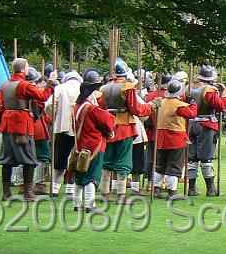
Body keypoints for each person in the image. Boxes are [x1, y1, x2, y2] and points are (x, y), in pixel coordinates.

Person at [0, 59, 55, 201]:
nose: (29, 68)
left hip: (7, 125)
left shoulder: (5, 85)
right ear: (23, 69)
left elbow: (2, 107)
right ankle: (28, 193)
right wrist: (51, 83)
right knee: (29, 159)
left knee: (7, 160)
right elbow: (42, 96)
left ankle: (6, 193)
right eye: (28, 66)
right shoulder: (23, 85)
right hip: (22, 126)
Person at [97, 58, 153, 204]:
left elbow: (101, 108)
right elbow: (136, 108)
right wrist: (150, 107)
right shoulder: (127, 88)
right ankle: (121, 195)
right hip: (125, 127)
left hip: (109, 126)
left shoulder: (104, 88)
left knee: (107, 161)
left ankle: (105, 193)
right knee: (124, 161)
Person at [72, 70, 116, 212]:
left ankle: (76, 203)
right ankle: (90, 205)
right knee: (92, 176)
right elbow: (108, 121)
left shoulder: (77, 106)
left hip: (80, 145)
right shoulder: (91, 108)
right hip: (94, 145)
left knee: (80, 175)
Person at [186, 65, 226, 197]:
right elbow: (221, 105)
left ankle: (192, 188)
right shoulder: (208, 90)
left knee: (192, 159)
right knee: (206, 158)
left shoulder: (190, 88)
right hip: (206, 125)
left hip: (191, 124)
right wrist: (225, 93)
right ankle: (211, 189)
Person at [153, 79, 197, 199]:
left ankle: (156, 188)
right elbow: (192, 114)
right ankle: (172, 191)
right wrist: (193, 103)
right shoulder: (178, 105)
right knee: (174, 165)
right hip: (174, 137)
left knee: (160, 165)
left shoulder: (162, 102)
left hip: (162, 136)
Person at [45, 70, 82, 196]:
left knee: (59, 157)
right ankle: (71, 186)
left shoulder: (60, 88)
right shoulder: (83, 88)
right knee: (76, 158)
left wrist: (56, 116)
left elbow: (49, 105)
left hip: (61, 127)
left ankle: (55, 187)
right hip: (79, 129)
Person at [143, 74, 170, 183]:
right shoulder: (168, 96)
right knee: (162, 158)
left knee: (151, 157)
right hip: (163, 131)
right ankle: (158, 182)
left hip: (152, 131)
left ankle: (151, 181)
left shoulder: (150, 95)